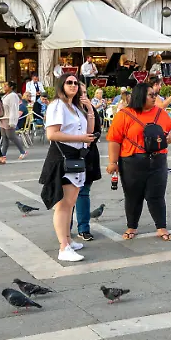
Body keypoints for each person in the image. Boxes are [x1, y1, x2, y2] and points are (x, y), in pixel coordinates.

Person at [106, 81, 171, 241]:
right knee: (132, 196)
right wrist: (113, 162)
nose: (155, 97)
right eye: (151, 95)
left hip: (158, 160)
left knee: (157, 195)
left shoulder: (161, 113)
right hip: (131, 162)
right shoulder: (124, 115)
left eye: (155, 95)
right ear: (140, 96)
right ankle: (132, 226)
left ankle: (161, 227)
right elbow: (114, 140)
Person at [39, 73, 96, 262]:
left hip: (77, 156)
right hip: (63, 156)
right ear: (61, 85)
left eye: (75, 83)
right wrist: (80, 138)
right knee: (63, 205)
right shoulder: (57, 105)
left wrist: (89, 108)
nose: (73, 85)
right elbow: (52, 134)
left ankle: (68, 240)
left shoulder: (76, 107)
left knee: (71, 202)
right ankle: (63, 247)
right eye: (69, 82)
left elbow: (89, 131)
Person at [73, 103, 103, 242]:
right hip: (68, 154)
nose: (83, 95)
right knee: (67, 195)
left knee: (83, 192)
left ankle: (84, 229)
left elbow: (97, 131)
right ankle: (65, 229)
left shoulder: (90, 109)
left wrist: (90, 140)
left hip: (88, 155)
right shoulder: (63, 107)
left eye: (85, 93)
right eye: (81, 93)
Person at [0, 81, 27, 160]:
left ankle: (22, 151)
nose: (4, 87)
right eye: (4, 85)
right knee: (4, 137)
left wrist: (12, 121)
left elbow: (13, 109)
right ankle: (3, 154)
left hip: (8, 118)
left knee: (11, 136)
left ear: (11, 87)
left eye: (6, 86)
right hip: (2, 118)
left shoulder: (13, 96)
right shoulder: (5, 96)